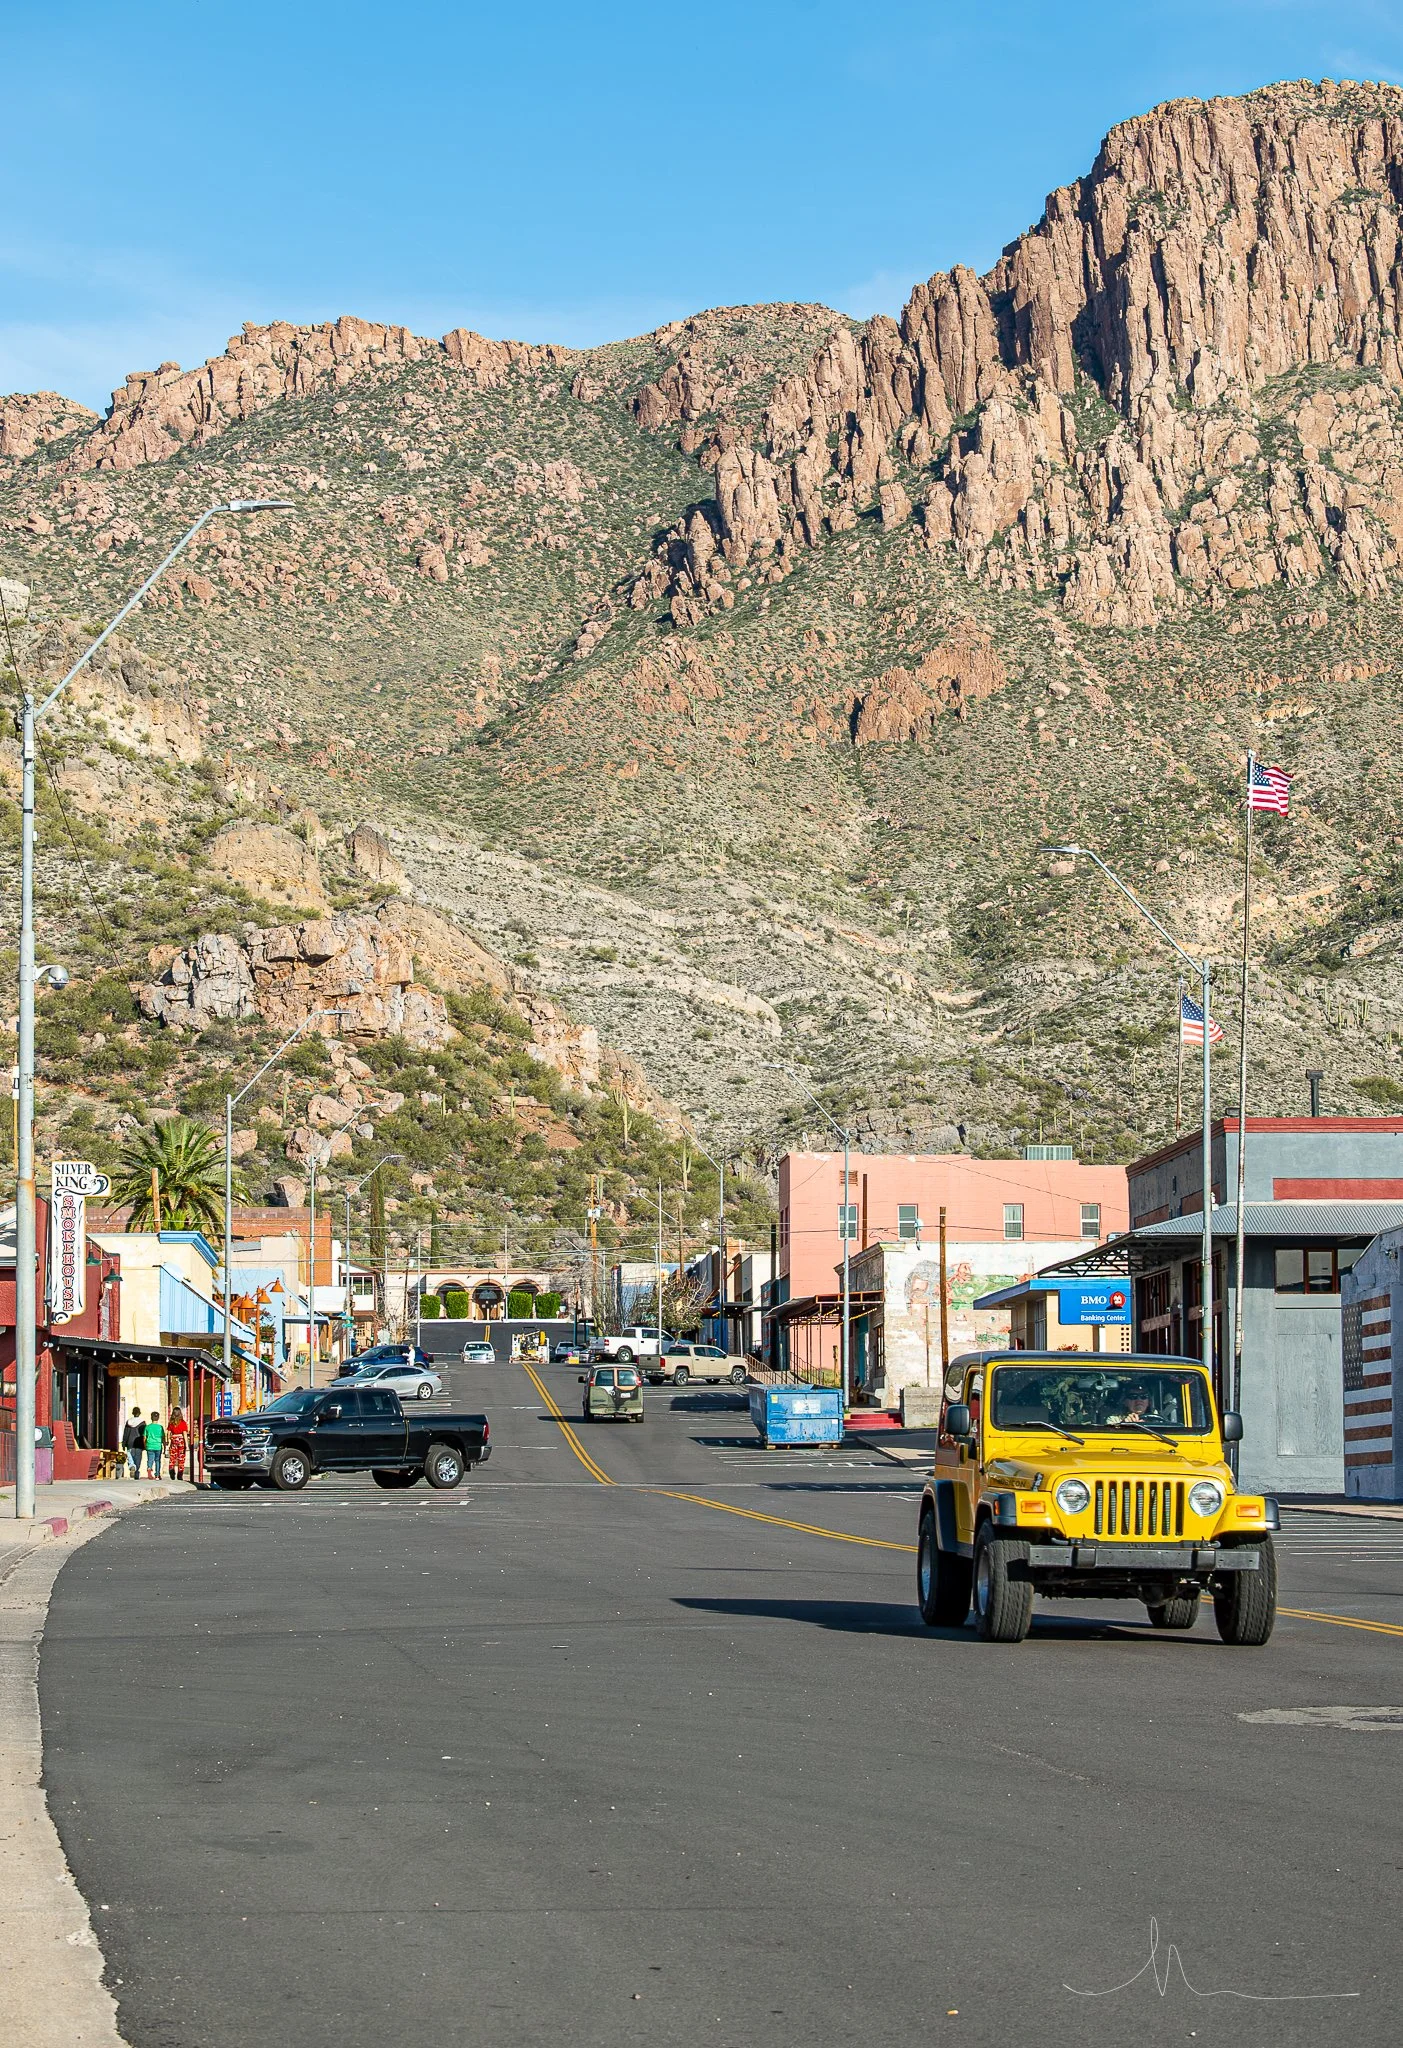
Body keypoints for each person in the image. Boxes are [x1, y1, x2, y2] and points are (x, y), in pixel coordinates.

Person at [167, 1405, 189, 1482]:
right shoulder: (183, 1423)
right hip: (181, 1440)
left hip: (173, 1439)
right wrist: (187, 1444)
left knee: (172, 1457)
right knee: (181, 1458)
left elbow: (168, 1433)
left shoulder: (171, 1423)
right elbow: (184, 1433)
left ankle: (171, 1469)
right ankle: (180, 1474)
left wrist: (169, 1441)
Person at [143, 1409, 166, 1479]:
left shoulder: (147, 1427)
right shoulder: (160, 1427)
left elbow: (144, 1438)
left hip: (149, 1445)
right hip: (158, 1446)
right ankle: (157, 1474)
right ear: (158, 1418)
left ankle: (149, 1470)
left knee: (150, 1459)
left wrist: (145, 1445)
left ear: (151, 1418)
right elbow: (163, 1438)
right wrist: (165, 1447)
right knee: (157, 1460)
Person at [123, 1408, 144, 1480]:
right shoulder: (142, 1422)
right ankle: (136, 1471)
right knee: (138, 1458)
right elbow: (144, 1434)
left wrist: (124, 1443)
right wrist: (145, 1444)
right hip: (139, 1443)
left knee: (130, 1457)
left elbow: (125, 1433)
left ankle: (132, 1466)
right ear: (139, 1413)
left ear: (133, 1413)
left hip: (129, 1443)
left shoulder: (129, 1422)